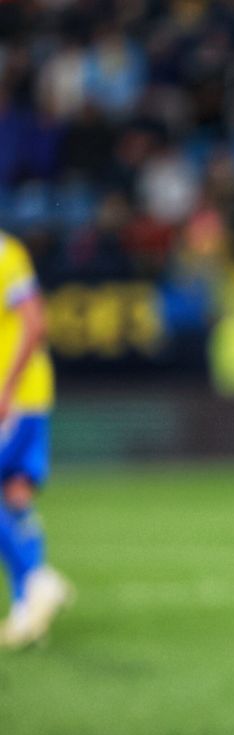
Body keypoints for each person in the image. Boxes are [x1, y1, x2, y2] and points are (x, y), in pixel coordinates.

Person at [0, 228, 70, 649]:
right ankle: (28, 608)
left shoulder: (4, 253)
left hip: (16, 395)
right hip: (27, 393)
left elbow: (34, 321)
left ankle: (36, 579)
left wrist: (6, 387)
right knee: (15, 491)